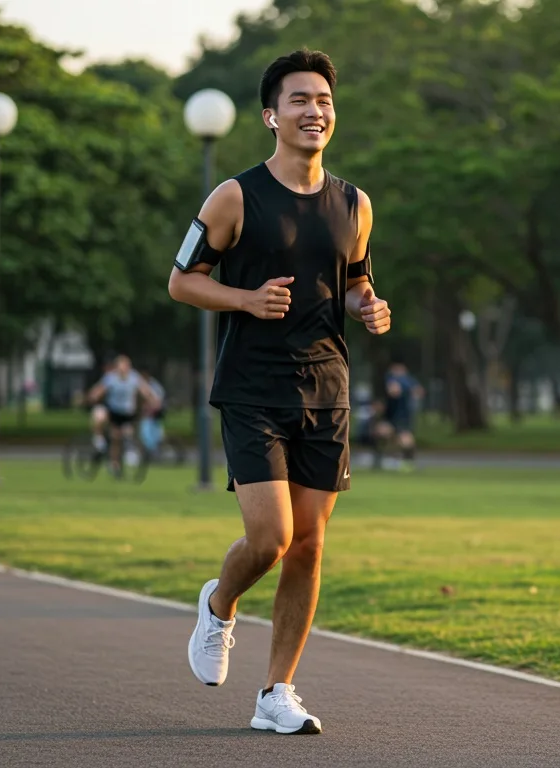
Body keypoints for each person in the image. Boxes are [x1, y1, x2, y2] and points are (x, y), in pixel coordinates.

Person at [166, 49, 392, 736]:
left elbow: (354, 281)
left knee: (310, 546)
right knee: (270, 537)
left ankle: (277, 692)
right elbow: (182, 281)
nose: (313, 110)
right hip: (253, 387)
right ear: (271, 115)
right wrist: (245, 298)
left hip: (327, 388)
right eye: (298, 100)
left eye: (323, 99)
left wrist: (368, 306)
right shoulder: (235, 197)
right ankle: (221, 603)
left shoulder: (355, 204)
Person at [85, 355, 160, 472]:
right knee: (100, 416)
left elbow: (145, 390)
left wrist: (153, 400)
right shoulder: (111, 378)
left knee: (124, 434)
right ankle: (99, 442)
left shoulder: (134, 378)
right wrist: (93, 396)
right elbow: (99, 389)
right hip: (113, 410)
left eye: (126, 366)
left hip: (126, 412)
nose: (124, 369)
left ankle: (125, 456)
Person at [383, 362, 423, 471]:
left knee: (404, 437)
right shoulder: (410, 380)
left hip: (400, 414)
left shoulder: (395, 380)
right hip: (402, 413)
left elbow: (393, 391)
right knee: (395, 436)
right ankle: (397, 459)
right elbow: (419, 391)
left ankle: (407, 461)